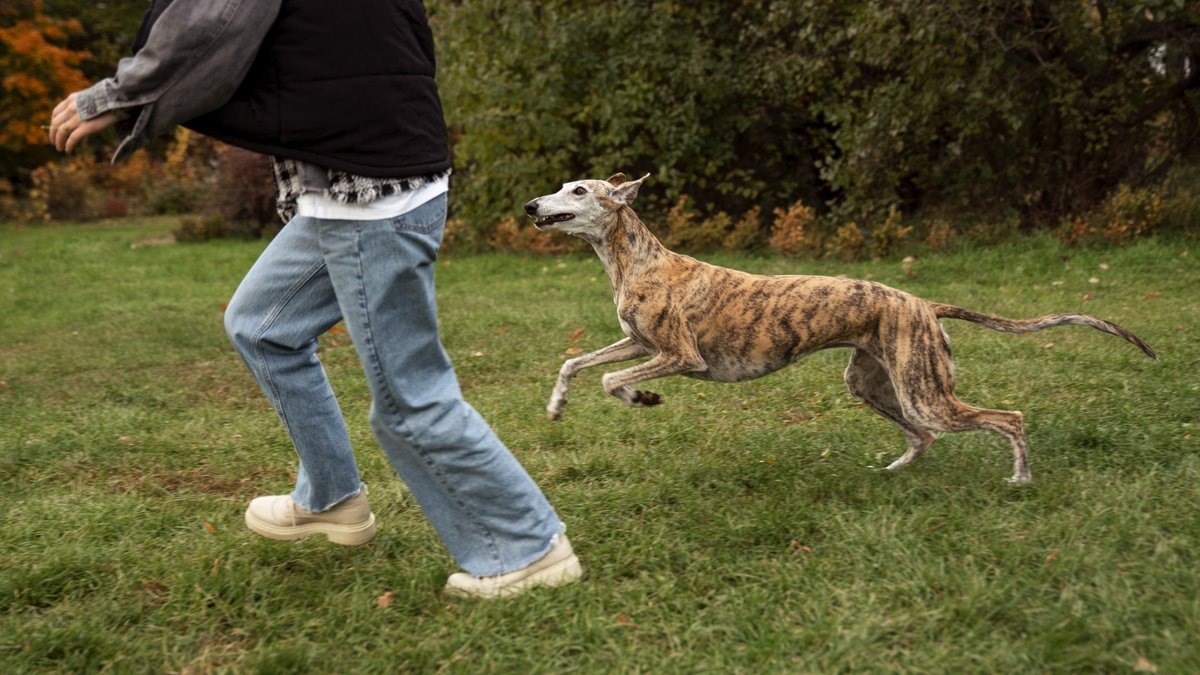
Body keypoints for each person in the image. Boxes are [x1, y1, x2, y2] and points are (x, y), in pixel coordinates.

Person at [48, 0, 581, 599]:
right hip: (372, 176)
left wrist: (115, 96)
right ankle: (332, 498)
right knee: (262, 325)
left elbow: (208, 22)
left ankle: (528, 548)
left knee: (410, 396)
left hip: (371, 195)